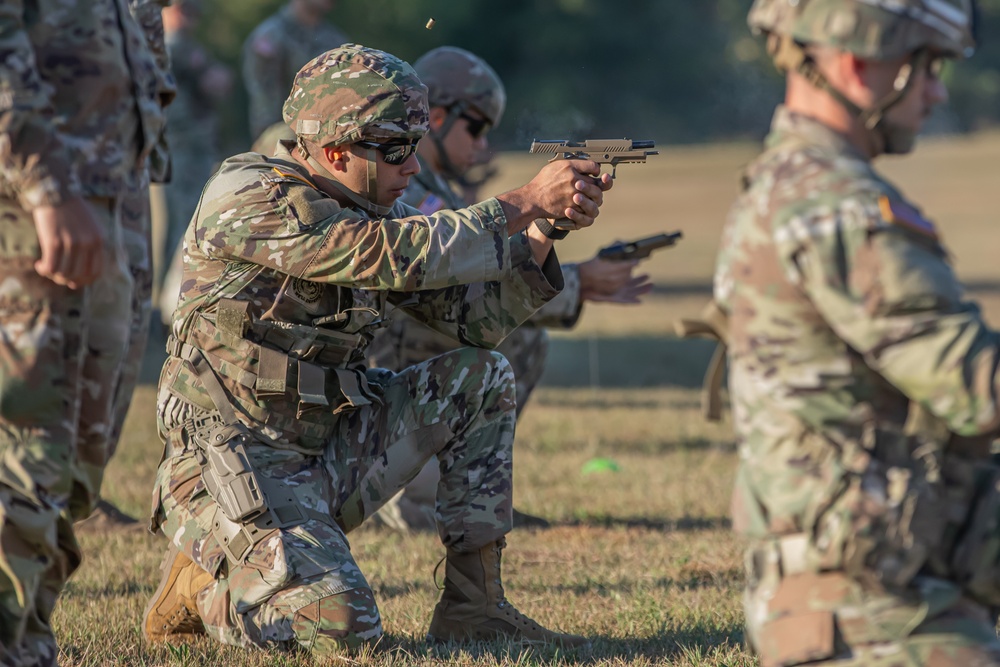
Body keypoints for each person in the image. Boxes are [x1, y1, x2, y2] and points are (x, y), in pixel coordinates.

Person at [142, 44, 611, 655]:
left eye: (416, 146)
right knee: (346, 629)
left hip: (325, 446)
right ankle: (205, 590)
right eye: (396, 151)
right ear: (335, 150)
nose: (413, 167)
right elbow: (387, 253)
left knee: (480, 375)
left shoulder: (370, 204)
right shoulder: (249, 194)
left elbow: (476, 321)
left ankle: (475, 608)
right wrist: (522, 203)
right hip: (231, 460)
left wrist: (548, 230)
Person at [716, 1, 1000, 665]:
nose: (935, 89)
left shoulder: (787, 181)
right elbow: (978, 387)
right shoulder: (833, 204)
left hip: (862, 588)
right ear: (858, 60)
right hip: (877, 610)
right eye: (923, 64)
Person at [366, 46, 652, 531]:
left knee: (515, 336)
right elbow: (454, 266)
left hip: (390, 357)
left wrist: (550, 229)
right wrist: (575, 272)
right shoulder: (408, 188)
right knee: (518, 338)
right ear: (436, 117)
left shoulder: (428, 184)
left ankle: (466, 492)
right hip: (379, 364)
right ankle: (424, 495)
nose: (481, 145)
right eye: (475, 128)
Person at [0, 0, 168, 663]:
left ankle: (28, 637)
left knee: (78, 456)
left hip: (107, 199)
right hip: (34, 208)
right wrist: (47, 189)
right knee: (29, 444)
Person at [153, 0, 232, 303]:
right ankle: (168, 305)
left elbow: (219, 83)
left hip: (190, 151)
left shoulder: (184, 47)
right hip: (179, 151)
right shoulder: (170, 47)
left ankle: (170, 303)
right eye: (182, 8)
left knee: (183, 228)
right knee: (179, 231)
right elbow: (213, 84)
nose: (189, 17)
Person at [242, 0, 348, 140]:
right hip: (282, 142)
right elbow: (265, 101)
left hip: (327, 141)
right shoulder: (271, 36)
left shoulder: (335, 40)